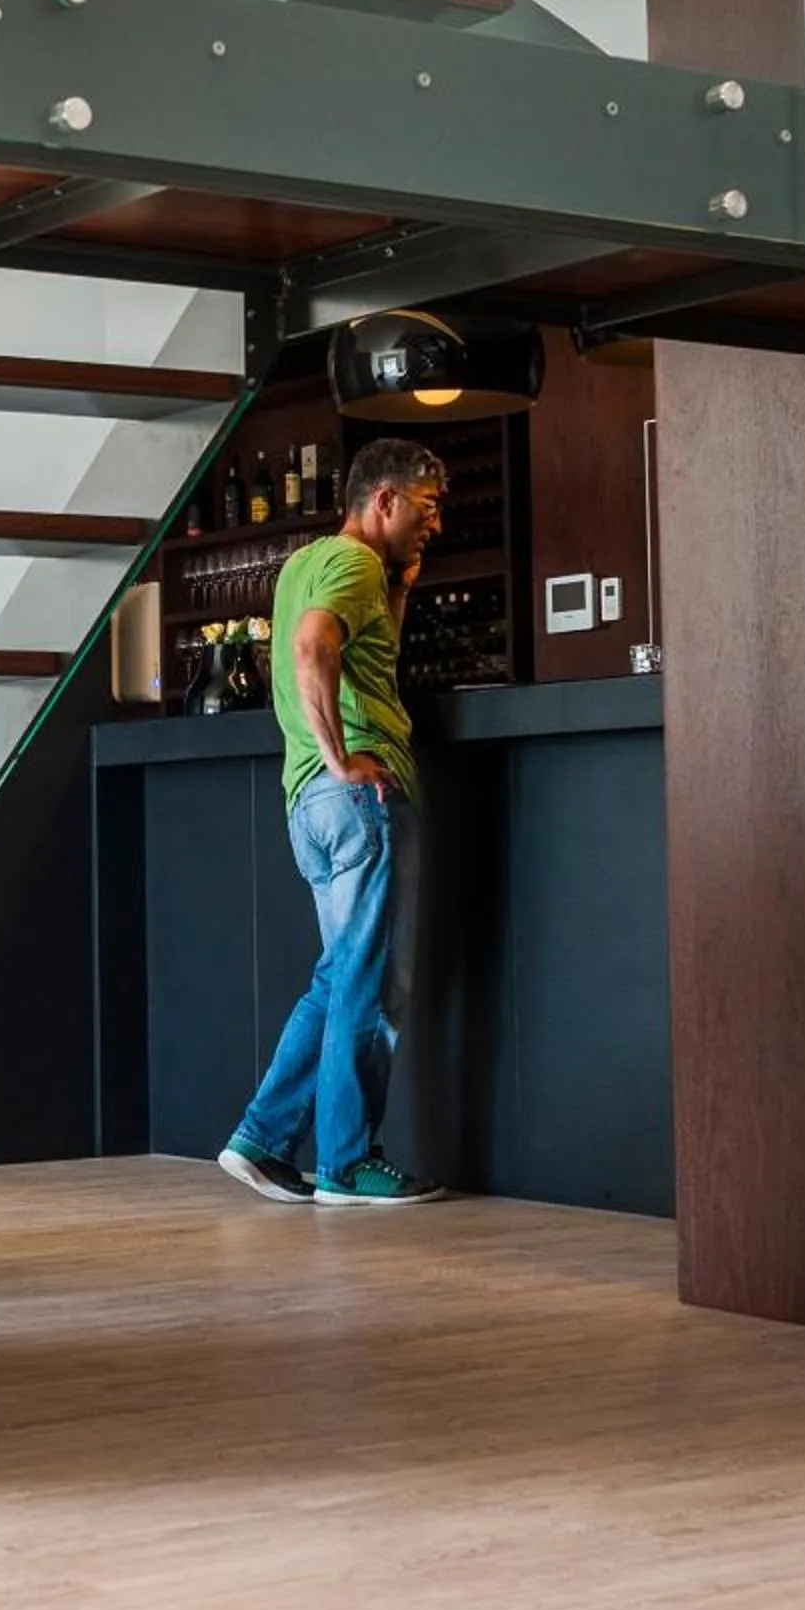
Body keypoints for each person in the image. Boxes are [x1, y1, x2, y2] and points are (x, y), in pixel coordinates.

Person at [218, 437, 449, 1207]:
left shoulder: (308, 564)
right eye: (425, 507)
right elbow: (314, 647)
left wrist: (402, 587)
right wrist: (344, 756)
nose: (435, 523)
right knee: (371, 983)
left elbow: (360, 655)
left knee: (340, 977)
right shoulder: (351, 566)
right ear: (383, 501)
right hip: (355, 798)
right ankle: (347, 1165)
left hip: (309, 804)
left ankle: (261, 1138)